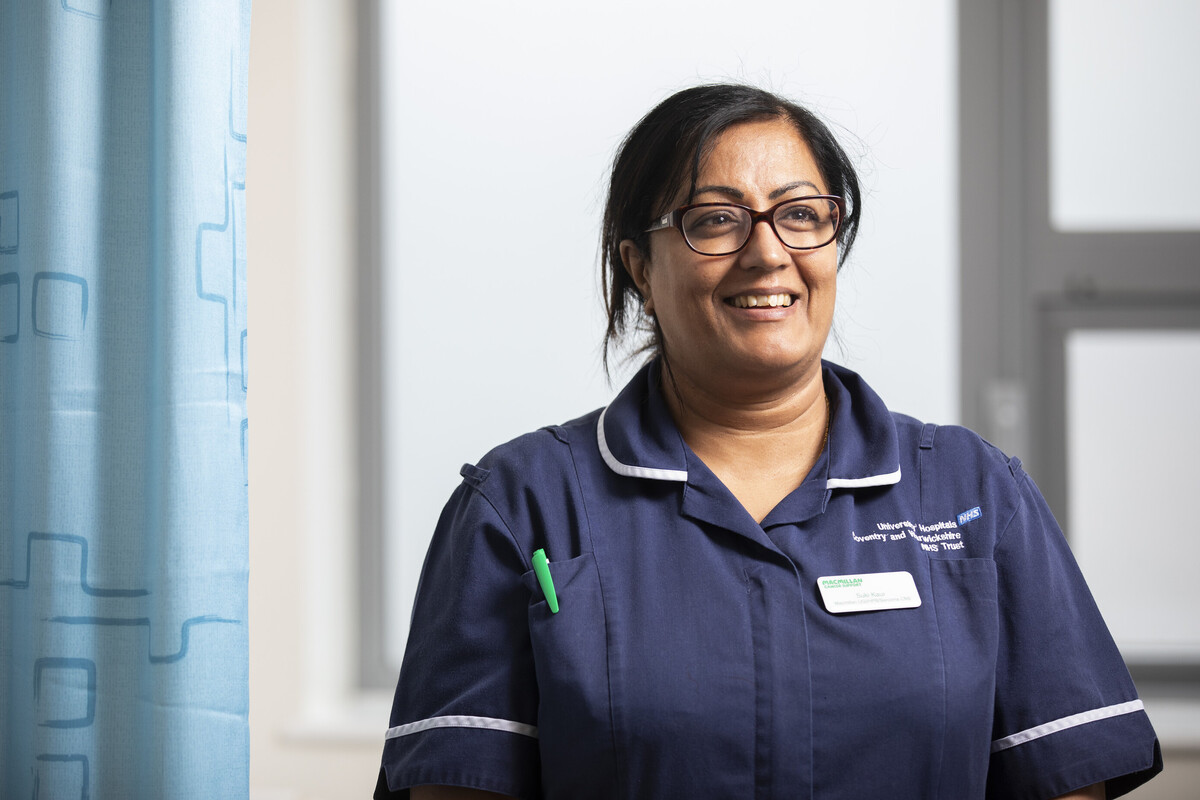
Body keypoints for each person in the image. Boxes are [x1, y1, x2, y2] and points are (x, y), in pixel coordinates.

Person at [375, 84, 1161, 799]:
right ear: (639, 266)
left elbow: (1067, 781)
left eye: (801, 213)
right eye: (715, 218)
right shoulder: (521, 505)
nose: (767, 251)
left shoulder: (973, 494)